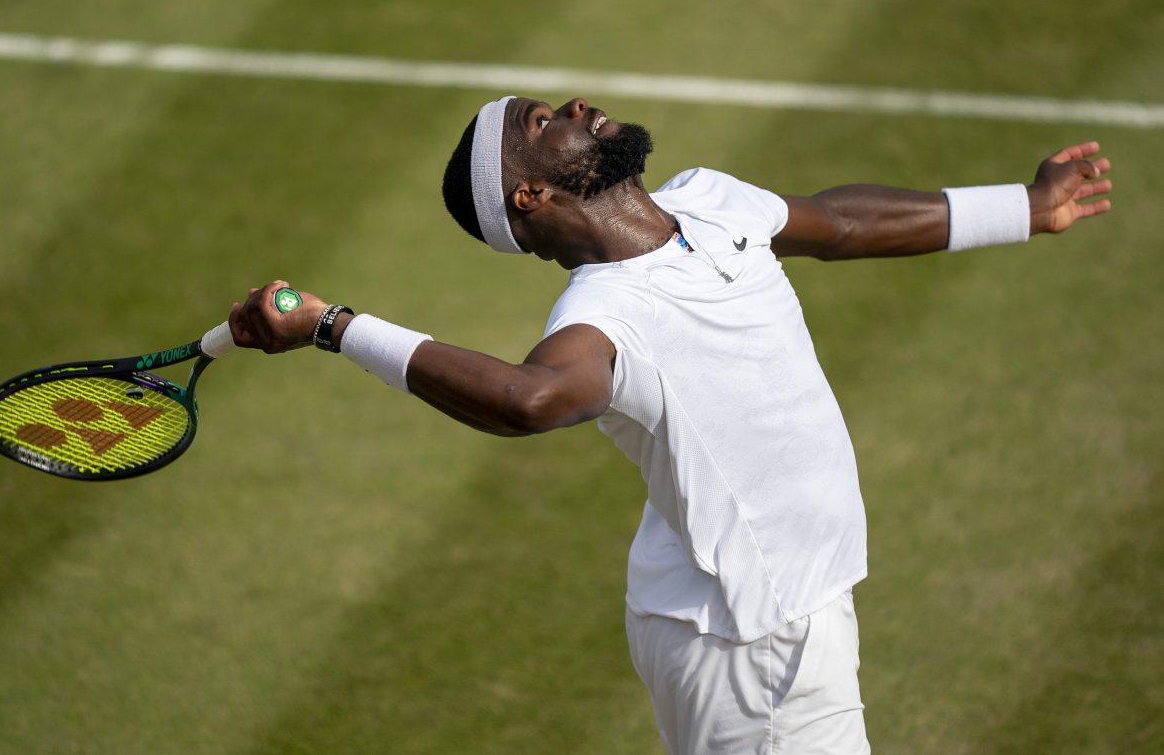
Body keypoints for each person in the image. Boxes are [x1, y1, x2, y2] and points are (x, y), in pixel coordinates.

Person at [229, 95, 1112, 754]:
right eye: (541, 124)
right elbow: (528, 400)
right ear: (530, 196)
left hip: (768, 601)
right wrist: (334, 325)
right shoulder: (605, 317)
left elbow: (840, 222)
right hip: (747, 641)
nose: (574, 107)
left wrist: (1024, 210)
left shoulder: (714, 202)